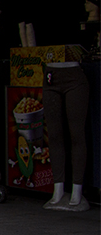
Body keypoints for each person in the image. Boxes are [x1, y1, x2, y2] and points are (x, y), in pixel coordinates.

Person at [43, 60, 90, 211]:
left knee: (76, 133)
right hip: (51, 74)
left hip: (73, 73)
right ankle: (58, 188)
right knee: (54, 134)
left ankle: (77, 188)